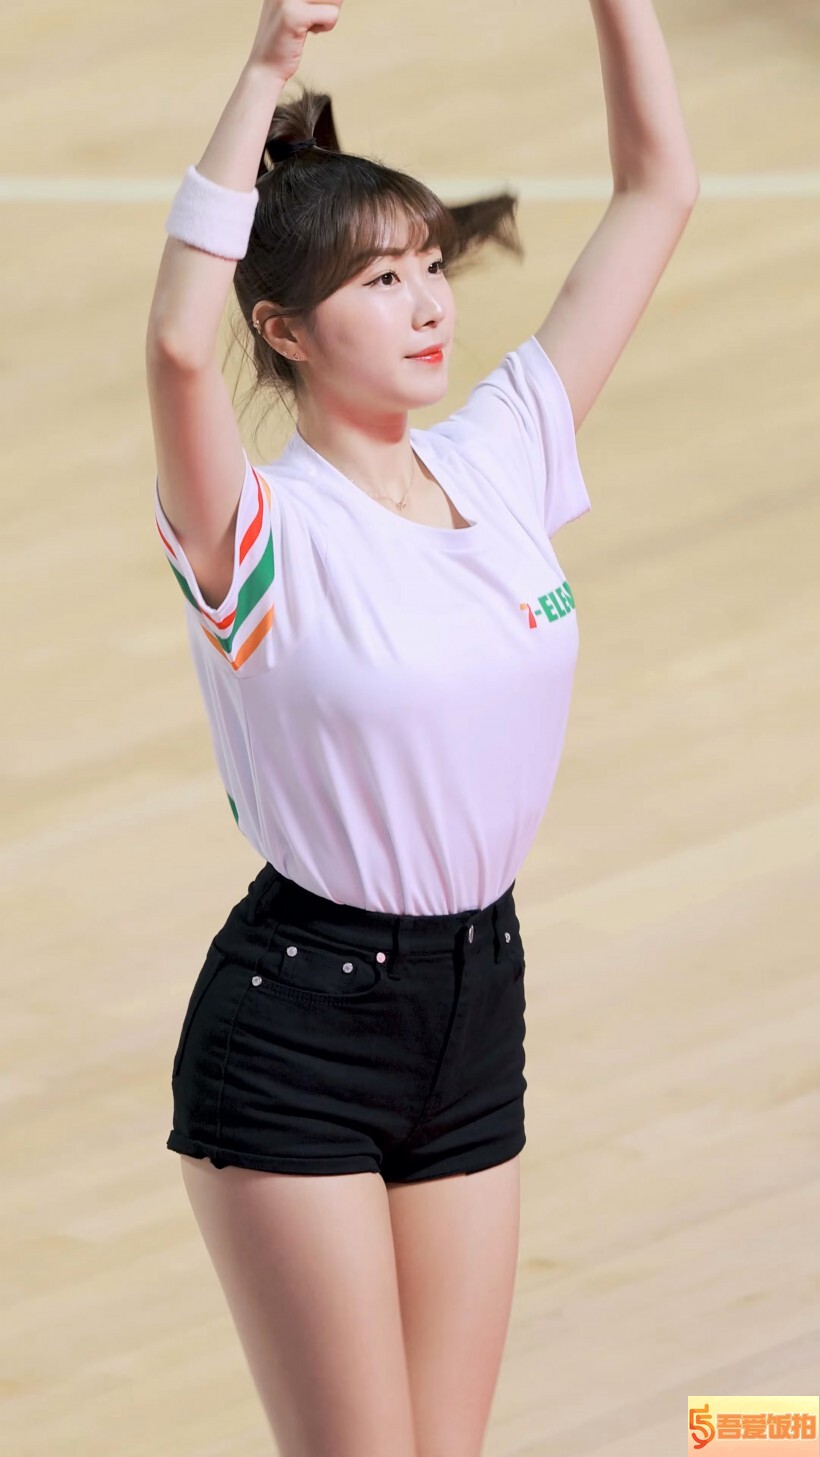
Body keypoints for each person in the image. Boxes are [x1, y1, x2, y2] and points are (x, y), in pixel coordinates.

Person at [146, 0, 696, 1452]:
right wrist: (263, 71)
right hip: (299, 1026)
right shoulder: (257, 531)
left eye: (432, 266)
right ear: (285, 329)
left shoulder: (504, 452)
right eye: (380, 280)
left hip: (475, 1003)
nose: (429, 303)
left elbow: (659, 191)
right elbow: (178, 350)